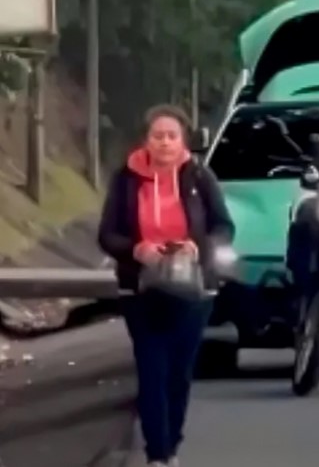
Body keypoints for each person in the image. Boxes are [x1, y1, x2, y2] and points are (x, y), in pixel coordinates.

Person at [98, 104, 234, 467]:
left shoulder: (200, 177)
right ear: (147, 140)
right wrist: (136, 249)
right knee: (150, 370)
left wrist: (195, 246)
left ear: (182, 141)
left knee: (179, 373)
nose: (165, 143)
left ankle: (172, 443)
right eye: (158, 136)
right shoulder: (125, 179)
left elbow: (224, 227)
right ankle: (157, 454)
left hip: (194, 289)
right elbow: (107, 234)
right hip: (140, 290)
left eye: (172, 136)